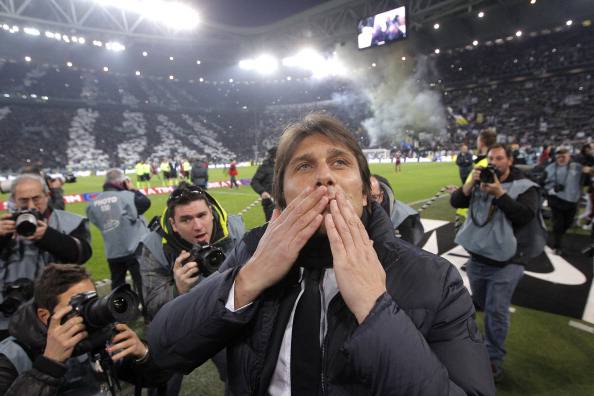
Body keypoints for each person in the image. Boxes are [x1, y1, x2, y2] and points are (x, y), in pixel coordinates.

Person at [148, 113, 494, 395]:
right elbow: (164, 346)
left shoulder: (433, 277)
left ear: (365, 194)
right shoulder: (250, 254)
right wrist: (248, 279)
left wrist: (377, 310)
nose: (324, 176)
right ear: (280, 198)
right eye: (303, 166)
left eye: (339, 162)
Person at [139, 182, 245, 395]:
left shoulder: (234, 228)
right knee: (162, 375)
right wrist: (178, 290)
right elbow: (151, 305)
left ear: (212, 213)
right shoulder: (155, 245)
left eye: (202, 215)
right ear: (173, 223)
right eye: (186, 219)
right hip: (179, 317)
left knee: (241, 371)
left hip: (222, 312)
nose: (198, 226)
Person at [451, 144, 545, 381]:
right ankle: (478, 348)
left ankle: (493, 360)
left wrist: (500, 194)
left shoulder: (526, 187)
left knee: (496, 312)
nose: (494, 162)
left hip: (508, 262)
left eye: (499, 158)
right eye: (491, 158)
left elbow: (525, 215)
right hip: (478, 258)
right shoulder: (481, 180)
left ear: (510, 161)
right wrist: (469, 184)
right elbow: (456, 202)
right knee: (480, 303)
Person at [0, 264, 169, 394]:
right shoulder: (12, 356)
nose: (90, 311)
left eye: (91, 302)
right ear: (45, 316)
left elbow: (157, 378)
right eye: (78, 305)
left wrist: (143, 355)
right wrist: (49, 365)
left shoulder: (100, 337)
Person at [0, 174, 92, 340]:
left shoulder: (70, 222)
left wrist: (48, 237)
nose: (31, 205)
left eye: (36, 199)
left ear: (47, 195)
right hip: (8, 316)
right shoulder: (4, 225)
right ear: (13, 199)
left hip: (60, 313)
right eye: (23, 200)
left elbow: (82, 253)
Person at [86, 169, 151, 303]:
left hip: (112, 251)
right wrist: (132, 189)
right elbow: (145, 203)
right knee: (141, 283)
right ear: (122, 181)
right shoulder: (127, 196)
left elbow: (97, 223)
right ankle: (147, 314)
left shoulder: (92, 203)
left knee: (117, 286)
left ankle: (121, 313)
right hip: (133, 248)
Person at [540, 147, 591, 255]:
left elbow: (588, 174)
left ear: (569, 156)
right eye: (559, 156)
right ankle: (557, 246)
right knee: (558, 224)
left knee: (568, 223)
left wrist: (588, 170)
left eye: (564, 156)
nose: (561, 159)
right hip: (557, 200)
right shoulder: (550, 168)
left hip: (573, 200)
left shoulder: (577, 167)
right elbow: (541, 183)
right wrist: (552, 189)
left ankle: (558, 236)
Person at [370, 174, 424, 246]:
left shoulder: (405, 219)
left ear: (382, 196)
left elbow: (406, 251)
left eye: (373, 197)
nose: (366, 202)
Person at [250, 147, 276, 222]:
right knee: (272, 227)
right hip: (270, 203)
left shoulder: (283, 166)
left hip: (284, 201)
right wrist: (262, 192)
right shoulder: (265, 167)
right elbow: (254, 182)